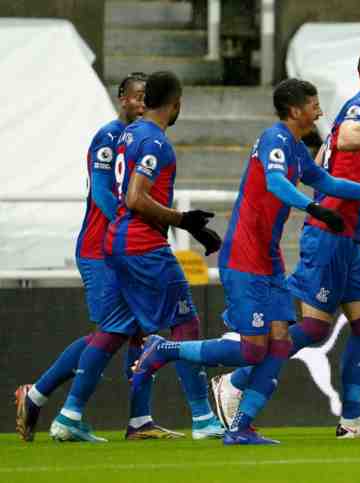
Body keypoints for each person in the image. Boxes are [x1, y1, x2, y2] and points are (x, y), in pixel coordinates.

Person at [131, 78, 360, 445]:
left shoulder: (298, 149)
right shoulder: (275, 140)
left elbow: (330, 182)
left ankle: (241, 427)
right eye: (314, 104)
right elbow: (275, 184)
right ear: (297, 110)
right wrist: (312, 207)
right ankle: (165, 350)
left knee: (281, 344)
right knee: (253, 349)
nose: (319, 111)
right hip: (245, 256)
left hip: (269, 260)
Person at [213, 45, 360, 439]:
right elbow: (347, 133)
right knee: (314, 330)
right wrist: (354, 140)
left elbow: (327, 160)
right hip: (330, 237)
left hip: (351, 237)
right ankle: (235, 381)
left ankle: (352, 419)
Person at [47, 71, 224, 442]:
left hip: (118, 243)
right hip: (143, 246)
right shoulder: (154, 142)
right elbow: (135, 197)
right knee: (185, 324)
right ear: (175, 104)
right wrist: (184, 221)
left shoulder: (126, 134)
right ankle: (204, 418)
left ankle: (69, 414)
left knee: (114, 330)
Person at [14, 73, 182, 442]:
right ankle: (44, 397)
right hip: (100, 248)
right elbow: (104, 194)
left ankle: (139, 420)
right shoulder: (109, 137)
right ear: (122, 99)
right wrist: (131, 224)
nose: (141, 104)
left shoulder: (138, 138)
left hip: (122, 246)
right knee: (112, 330)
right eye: (135, 97)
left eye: (145, 98)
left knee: (136, 330)